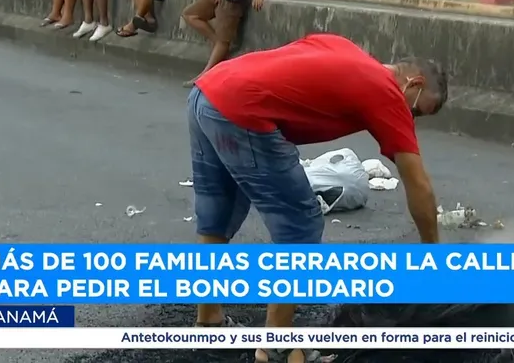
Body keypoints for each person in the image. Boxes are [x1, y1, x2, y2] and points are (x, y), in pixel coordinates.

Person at [186, 33, 447, 363]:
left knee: (217, 213)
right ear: (415, 83)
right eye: (419, 111)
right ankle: (277, 348)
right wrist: (433, 250)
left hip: (207, 92)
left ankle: (208, 324)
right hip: (242, 110)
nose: (413, 119)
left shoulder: (349, 51)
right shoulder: (386, 92)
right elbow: (418, 184)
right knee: (301, 222)